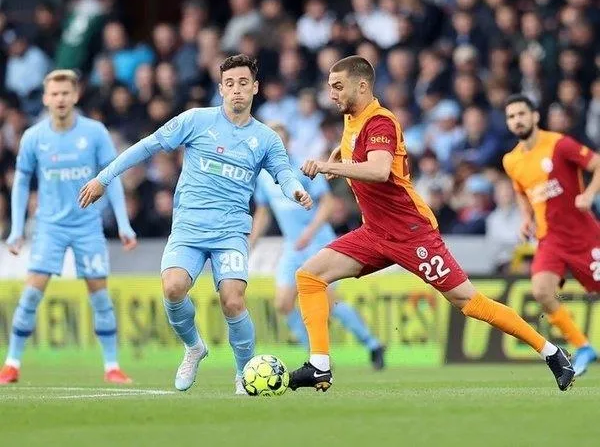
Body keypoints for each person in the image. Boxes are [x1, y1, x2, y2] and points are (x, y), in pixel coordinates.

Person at [288, 56, 574, 392]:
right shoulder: (353, 120)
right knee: (309, 277)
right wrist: (342, 154)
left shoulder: (380, 122)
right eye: (330, 87)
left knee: (469, 302)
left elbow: (379, 170)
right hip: (375, 232)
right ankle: (320, 366)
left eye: (338, 86)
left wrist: (329, 166)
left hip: (411, 233)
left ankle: (552, 352)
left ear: (361, 86)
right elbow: (362, 152)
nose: (331, 94)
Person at [79, 55, 312, 394]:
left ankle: (243, 374)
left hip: (231, 231)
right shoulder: (195, 120)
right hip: (189, 227)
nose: (236, 90)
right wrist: (103, 178)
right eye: (230, 84)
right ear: (221, 89)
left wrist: (295, 191)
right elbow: (147, 146)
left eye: (243, 83)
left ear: (255, 88)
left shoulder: (265, 138)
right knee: (173, 288)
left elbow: (284, 173)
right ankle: (194, 347)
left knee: (233, 299)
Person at [1, 69, 137, 384]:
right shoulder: (34, 136)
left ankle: (112, 366)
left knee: (100, 297)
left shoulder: (94, 132)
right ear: (46, 98)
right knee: (31, 295)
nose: (60, 99)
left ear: (75, 96)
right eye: (55, 93)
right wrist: (17, 229)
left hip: (87, 226)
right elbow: (21, 182)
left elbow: (111, 176)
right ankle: (12, 364)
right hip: (49, 227)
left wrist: (124, 224)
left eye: (65, 93)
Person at [250, 122, 385, 369]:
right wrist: (251, 243)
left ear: (288, 143)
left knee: (329, 302)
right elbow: (263, 212)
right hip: (293, 247)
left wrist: (309, 233)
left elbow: (328, 203)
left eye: (281, 139)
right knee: (283, 303)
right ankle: (316, 355)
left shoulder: (303, 167)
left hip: (317, 241)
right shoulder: (264, 176)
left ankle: (372, 344)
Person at [503, 93, 600, 377]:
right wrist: (526, 218)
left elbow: (597, 164)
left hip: (583, 236)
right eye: (511, 117)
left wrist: (589, 194)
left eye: (521, 114)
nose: (517, 120)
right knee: (541, 291)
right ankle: (583, 347)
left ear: (535, 116)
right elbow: (522, 191)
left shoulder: (559, 144)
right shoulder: (511, 160)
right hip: (550, 240)